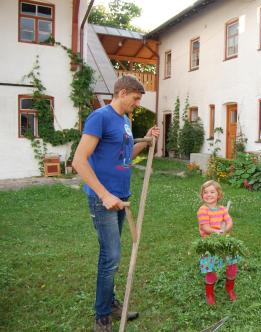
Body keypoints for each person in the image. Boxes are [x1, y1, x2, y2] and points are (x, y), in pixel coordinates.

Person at [72, 75, 160, 332]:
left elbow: (125, 155)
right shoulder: (100, 117)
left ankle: (109, 303)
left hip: (122, 197)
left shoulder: (124, 121)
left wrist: (144, 140)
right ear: (122, 92)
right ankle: (102, 316)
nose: (137, 104)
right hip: (105, 200)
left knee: (111, 256)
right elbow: (79, 160)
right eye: (135, 98)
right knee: (110, 257)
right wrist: (104, 195)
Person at [197, 180, 240, 305]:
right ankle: (209, 294)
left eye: (212, 192)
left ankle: (229, 288)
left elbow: (229, 222)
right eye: (205, 192)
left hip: (224, 242)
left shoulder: (222, 209)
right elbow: (205, 227)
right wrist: (216, 233)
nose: (208, 194)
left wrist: (225, 229)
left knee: (232, 266)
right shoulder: (203, 210)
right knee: (211, 270)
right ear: (202, 195)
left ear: (218, 194)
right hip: (210, 244)